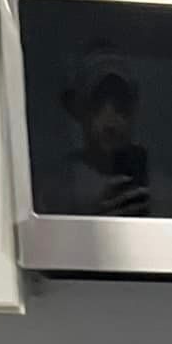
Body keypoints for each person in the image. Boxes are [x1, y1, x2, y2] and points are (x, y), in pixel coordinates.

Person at [61, 46, 151, 216]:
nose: (110, 122)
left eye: (120, 104)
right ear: (79, 110)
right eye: (97, 104)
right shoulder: (58, 190)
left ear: (134, 107)